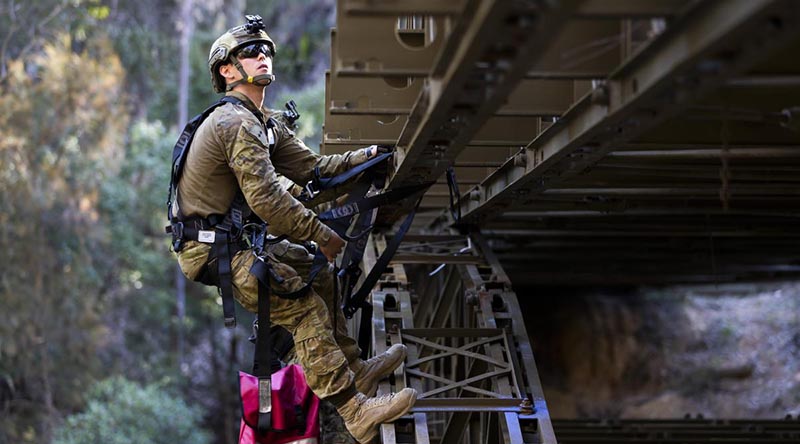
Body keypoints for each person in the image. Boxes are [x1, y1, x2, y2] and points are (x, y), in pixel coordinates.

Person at [172, 16, 416, 443]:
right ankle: (355, 411)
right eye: (250, 52)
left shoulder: (261, 121)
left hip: (237, 243)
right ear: (227, 71)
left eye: (266, 50)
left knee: (318, 274)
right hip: (213, 252)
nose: (262, 56)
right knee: (302, 305)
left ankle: (357, 371)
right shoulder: (234, 124)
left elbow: (313, 171)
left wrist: (368, 155)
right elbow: (267, 200)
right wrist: (320, 233)